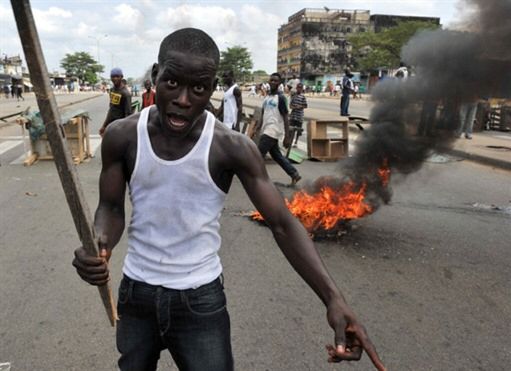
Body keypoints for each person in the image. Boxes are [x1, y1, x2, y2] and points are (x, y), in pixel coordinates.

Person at [72, 28, 385, 371]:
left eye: (199, 88)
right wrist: (98, 243)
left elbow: (282, 223)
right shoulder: (123, 136)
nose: (183, 99)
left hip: (200, 301)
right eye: (173, 83)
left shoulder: (231, 147)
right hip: (136, 296)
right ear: (156, 75)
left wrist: (333, 299)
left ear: (212, 88)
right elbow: (111, 208)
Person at [254, 72, 301, 185]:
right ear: (269, 82)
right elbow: (263, 113)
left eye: (276, 80)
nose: (273, 82)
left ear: (279, 83)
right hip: (266, 129)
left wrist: (287, 136)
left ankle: (255, 178)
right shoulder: (267, 97)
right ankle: (294, 174)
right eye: (271, 80)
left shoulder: (280, 98)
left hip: (273, 130)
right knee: (277, 155)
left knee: (258, 154)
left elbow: (285, 117)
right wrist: (257, 127)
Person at [99, 68, 132, 136]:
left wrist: (125, 131)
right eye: (113, 76)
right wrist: (104, 126)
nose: (115, 78)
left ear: (121, 77)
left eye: (117, 76)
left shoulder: (126, 93)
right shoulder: (112, 90)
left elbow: (128, 114)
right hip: (112, 125)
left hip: (121, 127)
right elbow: (112, 109)